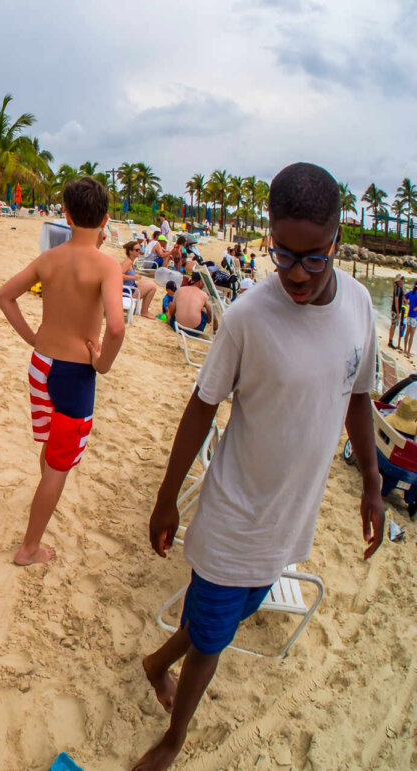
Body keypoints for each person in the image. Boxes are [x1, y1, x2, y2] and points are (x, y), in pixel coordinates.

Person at [135, 162, 383, 771]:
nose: (297, 274)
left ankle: (153, 665)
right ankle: (173, 741)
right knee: (214, 638)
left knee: (222, 616)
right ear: (269, 237)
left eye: (314, 258)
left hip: (290, 517)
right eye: (283, 255)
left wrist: (373, 485)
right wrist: (167, 498)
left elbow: (357, 396)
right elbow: (201, 407)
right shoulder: (248, 316)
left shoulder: (357, 306)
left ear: (337, 242)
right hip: (235, 514)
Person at [0, 177, 125, 565]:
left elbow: (4, 296)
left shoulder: (48, 259)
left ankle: (41, 503)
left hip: (41, 365)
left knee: (51, 447)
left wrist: (32, 338)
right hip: (74, 375)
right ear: (104, 219)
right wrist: (102, 363)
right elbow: (116, 327)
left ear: (65, 214)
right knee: (59, 465)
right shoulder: (107, 265)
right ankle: (29, 548)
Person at [121, 240, 158, 317]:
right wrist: (133, 277)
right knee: (153, 287)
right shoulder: (127, 262)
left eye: (139, 249)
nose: (139, 251)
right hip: (128, 291)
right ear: (130, 251)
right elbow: (119, 275)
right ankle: (144, 312)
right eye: (137, 250)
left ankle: (142, 310)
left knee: (150, 283)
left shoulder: (130, 261)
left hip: (130, 288)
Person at [389, 273, 406, 348]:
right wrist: (398, 311)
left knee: (394, 324)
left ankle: (391, 340)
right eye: (402, 279)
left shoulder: (400, 287)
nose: (403, 281)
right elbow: (396, 300)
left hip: (396, 309)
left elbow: (403, 297)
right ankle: (390, 340)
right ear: (399, 280)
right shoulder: (397, 288)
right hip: (395, 310)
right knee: (393, 324)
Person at [404, 280, 417, 357]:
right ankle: (408, 351)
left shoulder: (411, 292)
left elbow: (404, 296)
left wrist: (407, 303)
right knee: (411, 335)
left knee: (407, 333)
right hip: (415, 317)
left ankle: (405, 350)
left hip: (409, 315)